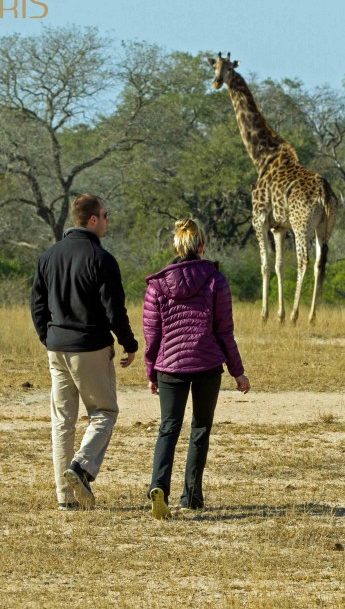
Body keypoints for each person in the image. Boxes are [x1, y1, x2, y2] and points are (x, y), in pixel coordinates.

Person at [30, 194, 138, 511]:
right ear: (92, 220)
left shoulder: (49, 256)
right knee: (105, 413)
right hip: (89, 347)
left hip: (57, 347)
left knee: (63, 421)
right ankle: (82, 466)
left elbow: (37, 305)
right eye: (106, 215)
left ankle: (66, 498)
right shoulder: (101, 259)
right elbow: (114, 310)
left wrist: (48, 337)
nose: (108, 220)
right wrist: (129, 344)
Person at [143, 218, 250, 520]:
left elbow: (152, 335)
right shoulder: (216, 280)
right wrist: (237, 372)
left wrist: (151, 373)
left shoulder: (157, 286)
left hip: (169, 367)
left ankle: (158, 486)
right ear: (201, 245)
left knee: (168, 428)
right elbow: (224, 331)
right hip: (207, 365)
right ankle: (191, 497)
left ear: (176, 246)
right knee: (199, 429)